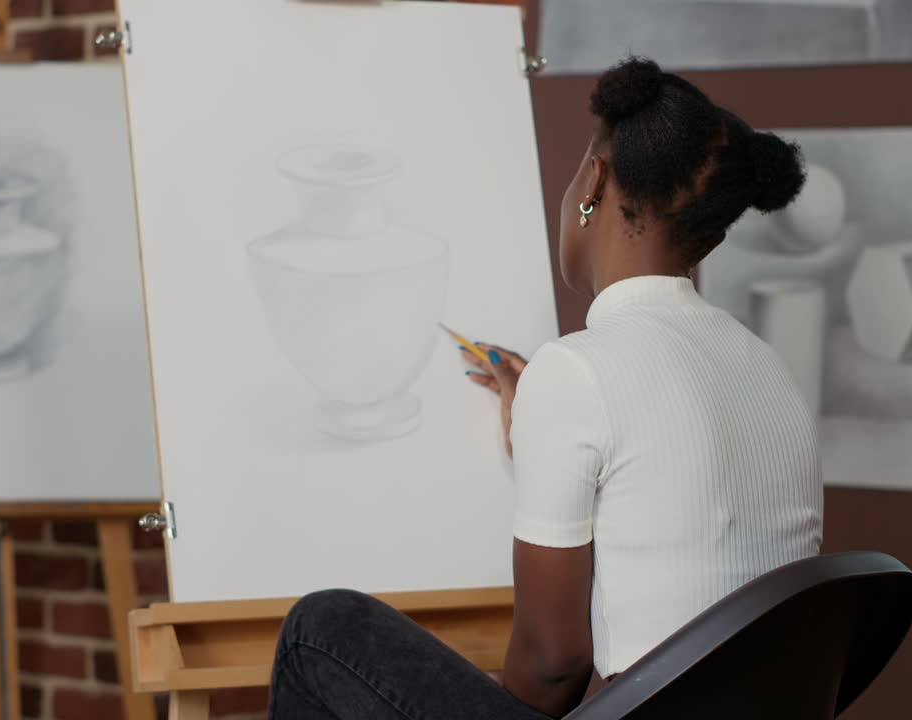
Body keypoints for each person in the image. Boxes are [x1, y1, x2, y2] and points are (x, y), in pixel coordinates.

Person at [267, 55, 823, 720]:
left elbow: (553, 666)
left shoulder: (578, 371)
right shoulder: (770, 371)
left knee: (317, 632)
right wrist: (533, 438)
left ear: (594, 181)